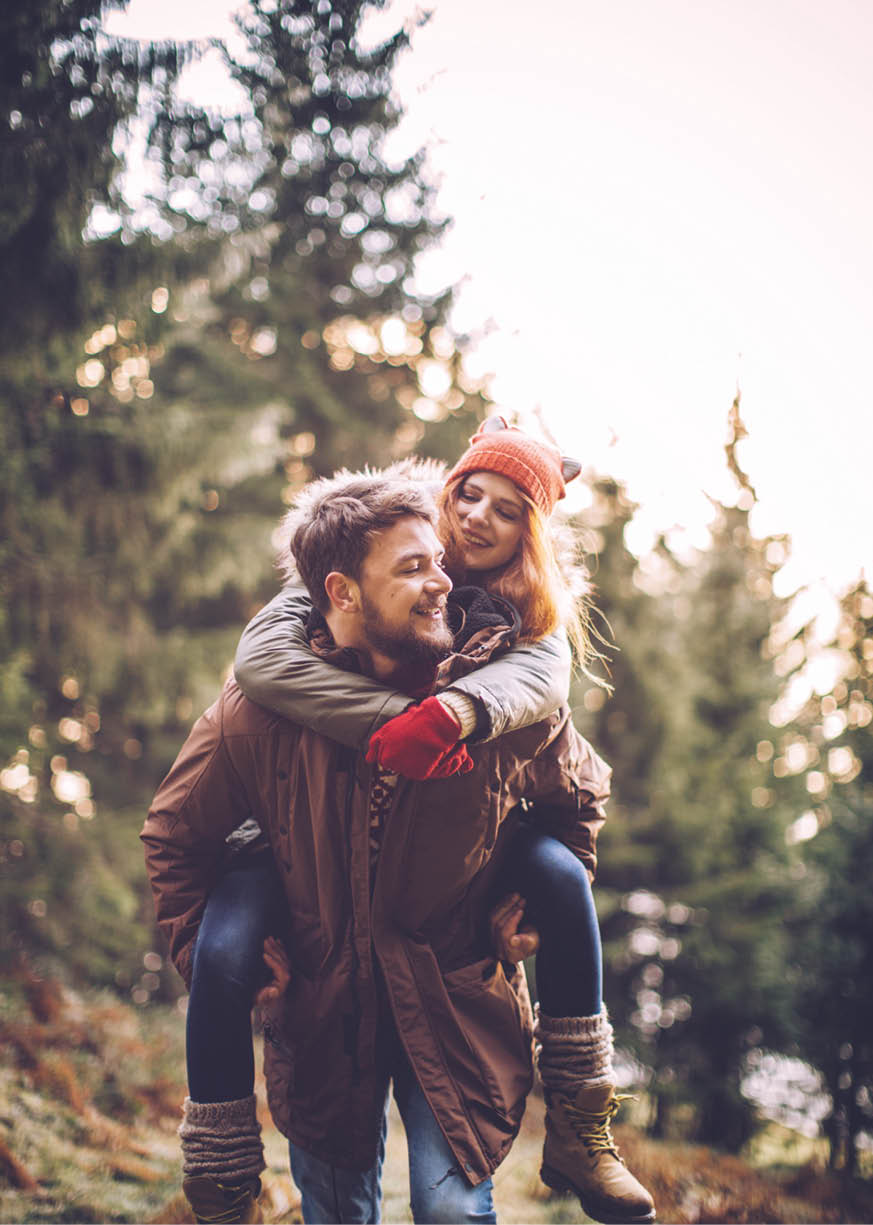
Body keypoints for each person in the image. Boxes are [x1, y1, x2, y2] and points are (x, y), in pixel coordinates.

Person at [141, 466, 644, 1225]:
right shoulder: (258, 708)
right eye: (415, 567)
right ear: (342, 593)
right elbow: (176, 840)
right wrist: (219, 958)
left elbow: (575, 799)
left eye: (438, 559)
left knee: (451, 1213)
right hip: (322, 1002)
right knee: (339, 1213)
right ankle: (220, 1180)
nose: (443, 577)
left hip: (452, 991)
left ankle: (581, 1127)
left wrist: (534, 910)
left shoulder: (493, 696)